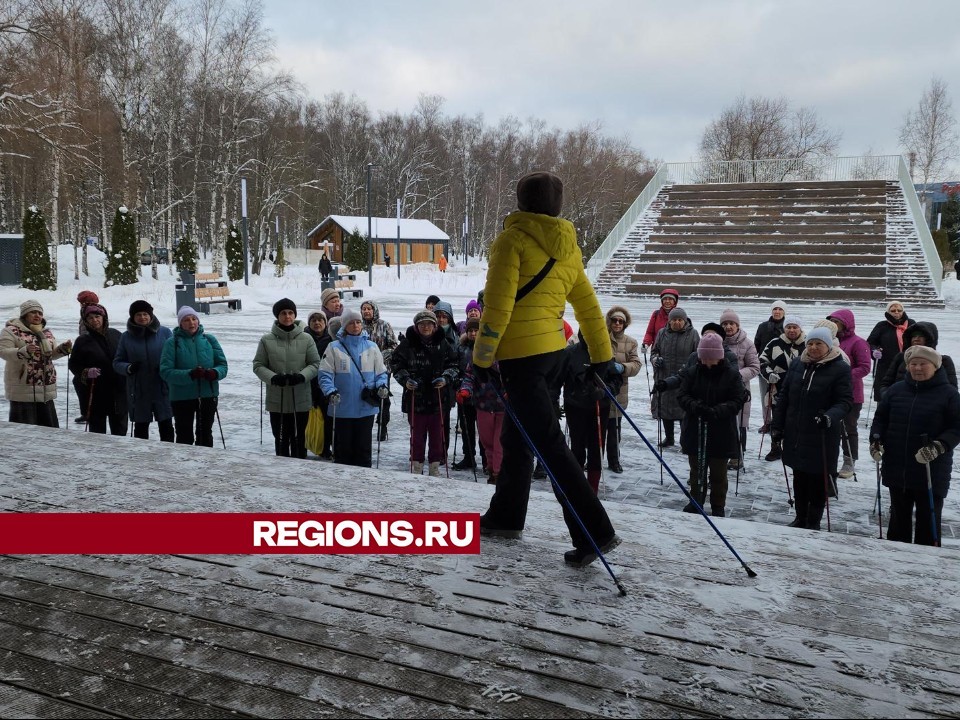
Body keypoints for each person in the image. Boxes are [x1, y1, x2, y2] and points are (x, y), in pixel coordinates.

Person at [472, 170, 620, 568]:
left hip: (522, 357)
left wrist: (482, 357)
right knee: (519, 436)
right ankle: (506, 516)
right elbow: (587, 305)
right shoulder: (567, 245)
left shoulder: (511, 240)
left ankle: (595, 532)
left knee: (550, 447)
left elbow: (498, 307)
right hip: (554, 353)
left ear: (521, 201)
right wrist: (601, 355)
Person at [870, 346, 960, 545]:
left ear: (935, 366)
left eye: (923, 364)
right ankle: (895, 555)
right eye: (913, 364)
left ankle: (928, 560)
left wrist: (939, 446)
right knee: (898, 517)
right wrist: (876, 439)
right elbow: (881, 418)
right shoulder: (896, 390)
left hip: (931, 469)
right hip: (897, 466)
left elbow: (956, 427)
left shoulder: (949, 394)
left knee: (928, 519)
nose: (918, 368)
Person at [771, 327, 853, 530]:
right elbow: (784, 398)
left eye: (819, 344)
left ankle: (813, 521)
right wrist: (777, 426)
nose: (814, 347)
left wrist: (829, 417)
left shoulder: (840, 368)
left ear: (828, 346)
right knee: (799, 477)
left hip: (822, 434)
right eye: (810, 343)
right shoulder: (798, 363)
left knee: (817, 481)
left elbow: (844, 402)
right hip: (796, 432)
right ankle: (800, 518)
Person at [677, 334, 747, 517]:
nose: (707, 362)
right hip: (695, 428)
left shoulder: (732, 374)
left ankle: (718, 505)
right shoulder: (692, 372)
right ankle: (696, 501)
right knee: (696, 471)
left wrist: (719, 410)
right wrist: (695, 406)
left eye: (711, 357)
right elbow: (682, 395)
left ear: (720, 356)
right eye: (704, 357)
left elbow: (739, 399)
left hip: (721, 432)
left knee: (718, 474)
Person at [391, 310, 459, 476]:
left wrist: (445, 378)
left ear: (435, 326)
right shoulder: (407, 344)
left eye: (429, 324)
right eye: (422, 324)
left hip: (438, 398)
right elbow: (396, 365)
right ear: (416, 326)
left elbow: (455, 365)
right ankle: (417, 465)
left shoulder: (443, 343)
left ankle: (434, 466)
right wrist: (406, 380)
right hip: (415, 398)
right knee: (416, 436)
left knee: (437, 435)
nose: (426, 327)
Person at [318, 308, 389, 467]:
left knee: (363, 448)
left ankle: (364, 479)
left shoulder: (371, 347)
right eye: (351, 323)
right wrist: (330, 391)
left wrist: (381, 385)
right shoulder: (334, 347)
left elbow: (380, 372)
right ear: (344, 326)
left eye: (358, 322)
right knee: (343, 449)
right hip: (342, 407)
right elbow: (324, 374)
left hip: (366, 407)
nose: (356, 325)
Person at [253, 298, 321, 458]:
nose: (287, 316)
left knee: (299, 439)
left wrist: (302, 376)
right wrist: (273, 378)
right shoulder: (266, 340)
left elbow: (315, 363)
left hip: (300, 398)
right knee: (281, 439)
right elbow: (258, 365)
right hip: (278, 399)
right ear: (277, 316)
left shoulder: (306, 338)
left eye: (290, 313)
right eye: (283, 313)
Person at [561, 331, 623, 494]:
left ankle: (592, 490)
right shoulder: (570, 352)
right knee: (577, 447)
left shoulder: (604, 353)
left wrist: (605, 391)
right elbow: (557, 378)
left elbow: (616, 379)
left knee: (596, 448)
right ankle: (578, 487)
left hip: (599, 407)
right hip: (575, 407)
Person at [159, 305, 228, 447]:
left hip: (207, 395)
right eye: (186, 320)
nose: (191, 323)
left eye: (194, 318)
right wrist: (190, 374)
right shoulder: (172, 343)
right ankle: (184, 466)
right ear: (180, 323)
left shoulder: (210, 340)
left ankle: (205, 464)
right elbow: (166, 372)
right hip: (181, 397)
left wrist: (214, 373)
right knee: (184, 436)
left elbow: (223, 366)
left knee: (205, 434)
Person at [0, 299, 72, 426]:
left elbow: (51, 355)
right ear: (24, 315)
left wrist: (62, 350)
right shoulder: (11, 331)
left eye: (40, 313)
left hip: (45, 387)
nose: (37, 315)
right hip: (23, 388)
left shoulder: (46, 332)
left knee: (48, 429)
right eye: (33, 312)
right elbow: (3, 351)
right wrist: (23, 351)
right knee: (24, 430)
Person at [114, 300, 174, 441]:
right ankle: (141, 457)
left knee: (166, 425)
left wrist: (167, 366)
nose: (142, 317)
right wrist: (128, 368)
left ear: (151, 315)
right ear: (132, 317)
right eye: (138, 315)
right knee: (141, 429)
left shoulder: (165, 332)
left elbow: (175, 355)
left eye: (145, 314)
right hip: (138, 389)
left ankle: (170, 455)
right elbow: (117, 362)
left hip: (161, 386)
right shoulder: (126, 336)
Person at [826, 309, 872, 479]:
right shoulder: (829, 341)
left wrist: (843, 376)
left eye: (836, 322)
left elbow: (865, 367)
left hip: (851, 395)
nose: (833, 325)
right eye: (831, 322)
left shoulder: (858, 342)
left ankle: (849, 461)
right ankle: (830, 459)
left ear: (845, 323)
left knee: (848, 429)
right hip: (831, 394)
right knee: (831, 428)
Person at [68, 303, 127, 435]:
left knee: (120, 429)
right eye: (90, 318)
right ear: (85, 321)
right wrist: (86, 372)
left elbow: (126, 355)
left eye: (97, 316)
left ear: (104, 317)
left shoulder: (116, 334)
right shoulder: (82, 340)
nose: (95, 320)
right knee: (97, 431)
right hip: (95, 391)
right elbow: (73, 365)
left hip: (118, 390)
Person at [459, 321, 503, 483]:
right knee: (486, 441)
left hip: (502, 407)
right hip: (483, 404)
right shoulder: (476, 355)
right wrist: (465, 390)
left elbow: (511, 377)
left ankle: (498, 473)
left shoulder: (505, 354)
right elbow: (470, 375)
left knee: (499, 442)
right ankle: (492, 470)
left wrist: (509, 392)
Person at [757, 316, 806, 461]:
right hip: (777, 388)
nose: (791, 330)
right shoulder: (774, 343)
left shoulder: (808, 343)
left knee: (796, 421)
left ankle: (793, 448)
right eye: (788, 327)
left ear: (800, 328)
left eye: (794, 327)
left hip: (800, 390)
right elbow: (762, 361)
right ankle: (776, 447)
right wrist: (769, 374)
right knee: (777, 420)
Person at [651, 307, 699, 449]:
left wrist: (690, 370)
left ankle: (684, 440)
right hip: (665, 376)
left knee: (683, 411)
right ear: (669, 321)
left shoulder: (693, 334)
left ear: (685, 321)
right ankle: (669, 438)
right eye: (674, 320)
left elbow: (698, 355)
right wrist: (655, 359)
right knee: (665, 408)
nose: (677, 322)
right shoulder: (661, 333)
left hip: (684, 378)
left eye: (680, 320)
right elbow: (654, 351)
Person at [719, 309, 760, 469]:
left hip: (739, 390)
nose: (728, 327)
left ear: (737, 325)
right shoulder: (717, 341)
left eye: (731, 324)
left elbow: (755, 367)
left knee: (740, 424)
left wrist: (735, 375)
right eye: (725, 324)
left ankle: (738, 456)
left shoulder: (747, 343)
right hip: (720, 390)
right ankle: (723, 454)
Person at [875, 321, 957, 397]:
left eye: (921, 336)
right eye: (913, 336)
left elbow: (952, 390)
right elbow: (886, 384)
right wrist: (890, 397)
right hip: (901, 405)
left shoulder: (944, 361)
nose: (916, 338)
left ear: (930, 338)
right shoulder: (900, 357)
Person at [605, 306, 641, 473]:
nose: (617, 323)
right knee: (597, 429)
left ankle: (614, 460)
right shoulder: (601, 337)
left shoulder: (631, 342)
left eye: (621, 321)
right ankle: (594, 460)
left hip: (619, 392)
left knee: (614, 430)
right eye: (614, 320)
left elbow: (636, 364)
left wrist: (622, 367)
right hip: (600, 389)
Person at [360, 300, 398, 441]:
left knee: (383, 398)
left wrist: (378, 356)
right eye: (364, 309)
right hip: (363, 370)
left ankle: (382, 426)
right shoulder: (359, 326)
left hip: (382, 369)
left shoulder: (384, 325)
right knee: (367, 396)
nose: (366, 311)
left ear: (374, 310)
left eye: (369, 308)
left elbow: (394, 346)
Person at [866, 301, 915, 402]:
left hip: (908, 366)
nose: (896, 312)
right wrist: (874, 351)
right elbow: (870, 343)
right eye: (893, 310)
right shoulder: (881, 326)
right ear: (888, 312)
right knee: (884, 399)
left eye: (899, 310)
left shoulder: (912, 324)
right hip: (885, 367)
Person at [754, 300, 787, 432]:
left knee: (780, 397)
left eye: (780, 309)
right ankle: (767, 422)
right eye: (775, 309)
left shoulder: (789, 327)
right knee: (765, 397)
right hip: (764, 367)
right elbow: (756, 345)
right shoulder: (763, 327)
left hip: (782, 369)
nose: (777, 311)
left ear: (784, 312)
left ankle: (779, 422)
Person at [453, 318, 480, 471]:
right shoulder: (461, 348)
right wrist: (458, 384)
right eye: (470, 331)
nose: (473, 333)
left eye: (476, 331)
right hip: (464, 394)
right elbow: (455, 366)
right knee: (466, 427)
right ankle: (469, 457)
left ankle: (486, 458)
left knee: (483, 429)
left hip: (483, 396)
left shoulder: (485, 348)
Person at [305, 312, 331, 457]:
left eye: (320, 320)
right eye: (313, 320)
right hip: (308, 383)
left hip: (325, 385)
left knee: (327, 418)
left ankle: (325, 448)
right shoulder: (304, 338)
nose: (317, 323)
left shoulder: (331, 339)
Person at [73, 290, 101, 423]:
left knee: (82, 382)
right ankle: (87, 412)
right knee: (80, 382)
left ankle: (88, 412)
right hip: (86, 352)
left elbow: (88, 336)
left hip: (90, 354)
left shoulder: (89, 314)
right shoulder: (89, 313)